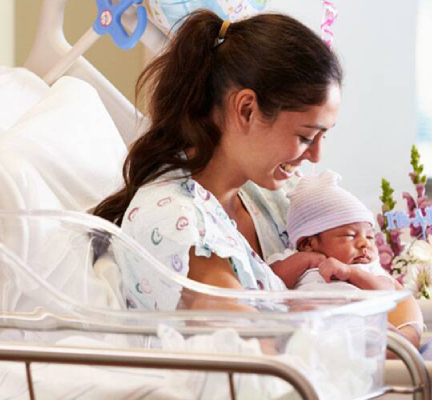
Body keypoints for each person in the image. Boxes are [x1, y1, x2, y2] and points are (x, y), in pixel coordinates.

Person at [93, 10, 342, 311]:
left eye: (323, 137)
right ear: (247, 109)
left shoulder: (273, 202)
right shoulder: (175, 219)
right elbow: (251, 345)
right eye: (305, 137)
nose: (316, 156)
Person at [266, 170, 424, 348]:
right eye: (350, 236)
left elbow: (386, 291)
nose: (364, 243)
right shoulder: (294, 258)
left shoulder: (367, 268)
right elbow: (270, 280)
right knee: (302, 315)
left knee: (393, 341)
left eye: (370, 237)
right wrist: (305, 260)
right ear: (308, 243)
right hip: (315, 326)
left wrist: (350, 273)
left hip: (362, 324)